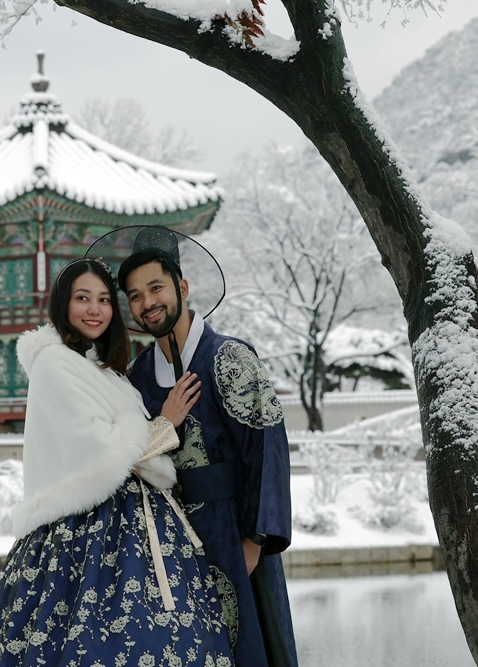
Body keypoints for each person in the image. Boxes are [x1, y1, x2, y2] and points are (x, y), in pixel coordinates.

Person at [0, 258, 235, 667]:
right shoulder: (54, 363)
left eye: (104, 300)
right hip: (84, 527)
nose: (95, 309)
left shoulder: (107, 370)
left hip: (143, 519)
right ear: (63, 305)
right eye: (82, 298)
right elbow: (102, 453)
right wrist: (165, 424)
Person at [119, 237, 298, 667]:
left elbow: (268, 451)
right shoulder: (137, 375)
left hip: (234, 530)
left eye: (156, 288)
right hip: (170, 542)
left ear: (181, 288)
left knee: (251, 646)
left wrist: (255, 541)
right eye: (136, 296)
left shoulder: (229, 356)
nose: (148, 303)